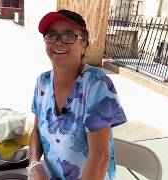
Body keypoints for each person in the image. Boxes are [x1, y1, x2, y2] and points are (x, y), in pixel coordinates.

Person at [28, 9, 127, 180]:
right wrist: (34, 164)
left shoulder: (97, 84)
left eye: (69, 36)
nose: (59, 43)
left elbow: (100, 156)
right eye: (52, 36)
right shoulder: (42, 82)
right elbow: (36, 131)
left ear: (84, 44)